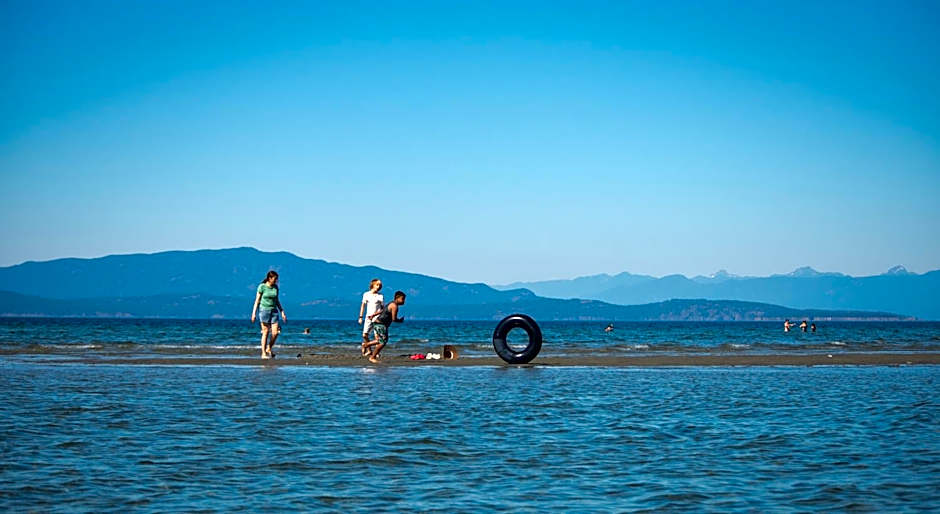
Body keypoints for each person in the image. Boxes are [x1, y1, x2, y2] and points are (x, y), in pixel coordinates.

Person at [250, 270, 286, 359]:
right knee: (265, 332)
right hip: (264, 311)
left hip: (274, 311)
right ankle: (263, 353)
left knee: (275, 332)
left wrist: (282, 312)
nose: (276, 281)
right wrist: (253, 313)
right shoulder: (262, 287)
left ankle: (269, 348)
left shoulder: (275, 287)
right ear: (269, 278)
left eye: (277, 279)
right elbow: (257, 301)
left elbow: (277, 300)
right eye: (275, 279)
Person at [363, 291, 406, 363]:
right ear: (397, 298)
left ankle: (366, 345)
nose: (404, 301)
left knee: (381, 340)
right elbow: (394, 319)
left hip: (377, 323)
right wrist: (400, 320)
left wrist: (373, 315)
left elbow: (382, 311)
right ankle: (372, 357)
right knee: (383, 342)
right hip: (381, 324)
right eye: (402, 299)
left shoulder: (391, 303)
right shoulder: (394, 306)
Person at [358, 278, 384, 354]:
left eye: (380, 285)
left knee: (377, 336)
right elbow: (363, 306)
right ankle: (369, 350)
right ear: (373, 285)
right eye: (377, 285)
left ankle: (376, 353)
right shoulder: (366, 294)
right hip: (368, 317)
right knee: (364, 335)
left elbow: (383, 309)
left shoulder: (380, 296)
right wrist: (360, 317)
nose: (379, 287)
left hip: (377, 318)